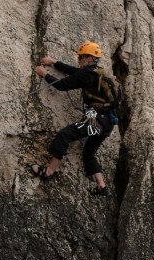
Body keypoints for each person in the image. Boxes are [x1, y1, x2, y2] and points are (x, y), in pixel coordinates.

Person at [31, 41, 115, 196]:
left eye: (81, 57)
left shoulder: (87, 74)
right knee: (88, 153)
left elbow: (62, 85)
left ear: (89, 58)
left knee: (66, 134)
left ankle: (49, 171)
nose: (79, 60)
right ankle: (101, 185)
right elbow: (74, 72)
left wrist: (44, 74)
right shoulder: (98, 72)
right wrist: (55, 62)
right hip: (108, 122)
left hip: (96, 119)